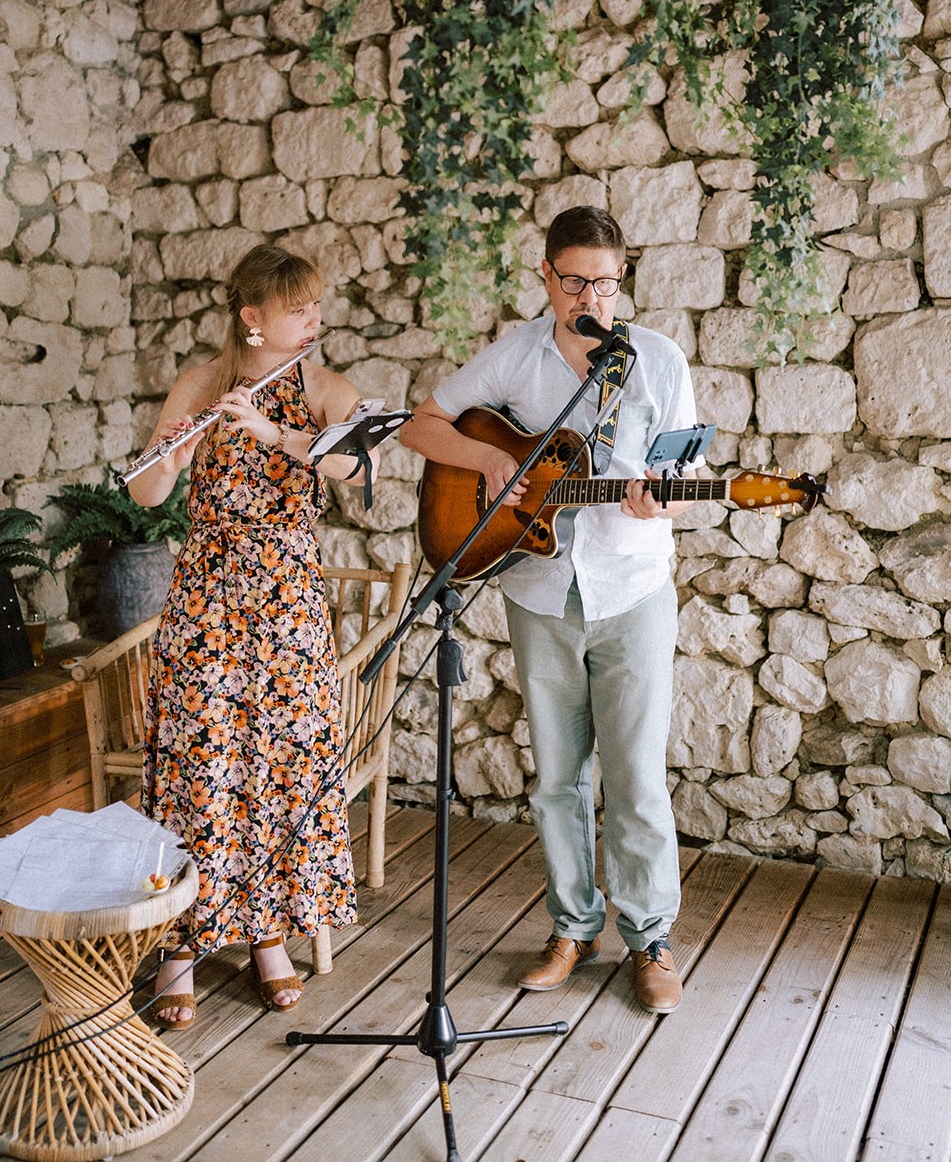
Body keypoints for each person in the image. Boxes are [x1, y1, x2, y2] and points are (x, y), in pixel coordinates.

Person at [401, 205, 702, 1013]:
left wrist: (659, 504)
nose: (591, 298)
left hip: (632, 587)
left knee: (636, 777)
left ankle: (650, 939)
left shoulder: (658, 361)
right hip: (538, 591)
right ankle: (572, 926)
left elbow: (684, 471)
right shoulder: (516, 356)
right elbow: (422, 425)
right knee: (557, 779)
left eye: (606, 282)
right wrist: (489, 457)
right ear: (546, 278)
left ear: (621, 278)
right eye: (575, 281)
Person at [130, 244, 367, 1027]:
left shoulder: (328, 390)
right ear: (252, 317)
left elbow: (358, 472)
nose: (315, 321)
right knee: (201, 766)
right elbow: (147, 490)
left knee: (278, 770)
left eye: (316, 307)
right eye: (300, 310)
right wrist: (182, 445)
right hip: (206, 603)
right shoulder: (201, 382)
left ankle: (269, 932)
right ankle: (180, 946)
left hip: (288, 605)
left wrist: (270, 432)